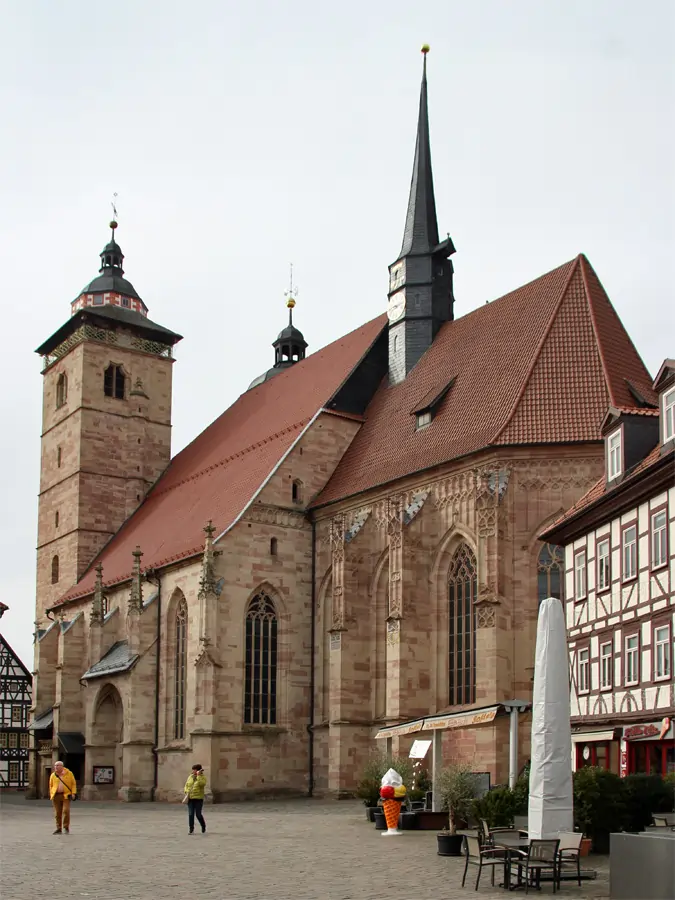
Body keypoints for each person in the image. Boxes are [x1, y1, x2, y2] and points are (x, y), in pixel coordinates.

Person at [49, 760, 77, 835]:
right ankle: (58, 828)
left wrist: (73, 793)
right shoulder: (53, 775)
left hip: (66, 795)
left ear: (62, 766)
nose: (56, 767)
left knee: (66, 811)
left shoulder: (69, 774)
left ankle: (66, 827)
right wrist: (51, 793)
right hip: (56, 795)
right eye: (55, 766)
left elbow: (73, 784)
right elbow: (50, 785)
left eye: (57, 765)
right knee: (57, 813)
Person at [183, 764, 207, 834]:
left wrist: (199, 776)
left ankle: (203, 825)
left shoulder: (202, 777)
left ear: (198, 770)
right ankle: (191, 829)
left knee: (198, 814)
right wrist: (186, 791)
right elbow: (186, 785)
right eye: (193, 769)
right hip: (190, 798)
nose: (193, 771)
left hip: (198, 798)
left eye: (195, 770)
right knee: (191, 814)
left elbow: (202, 784)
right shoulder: (190, 776)